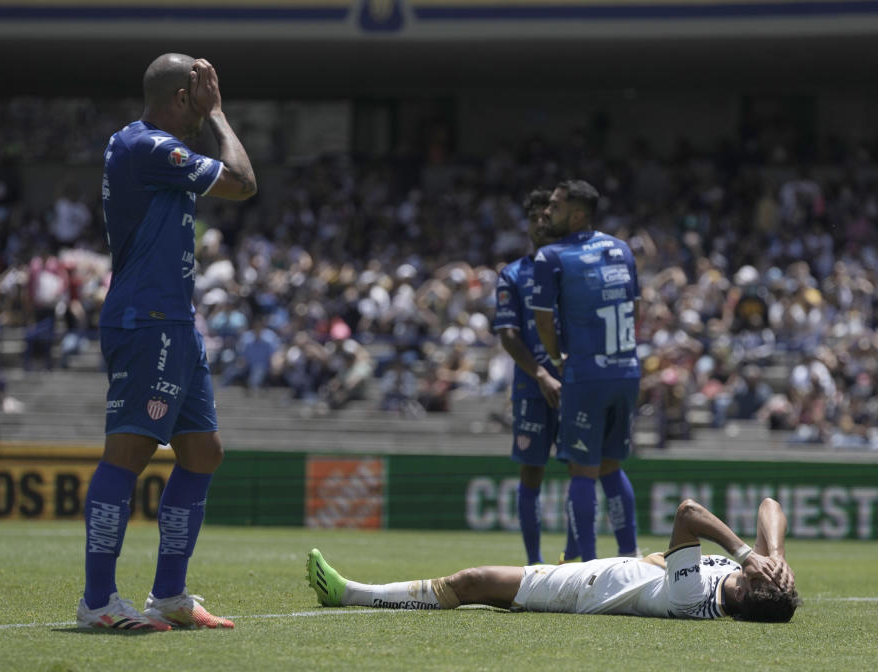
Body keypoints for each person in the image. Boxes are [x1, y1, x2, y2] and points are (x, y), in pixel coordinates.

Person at [76, 53, 256, 631]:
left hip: (175, 321)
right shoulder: (147, 147)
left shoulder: (149, 151)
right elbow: (243, 182)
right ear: (183, 96)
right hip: (146, 319)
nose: (204, 101)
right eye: (198, 94)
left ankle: (169, 596)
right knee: (127, 455)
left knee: (203, 453)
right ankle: (98, 603)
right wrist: (220, 115)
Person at [306, 497, 800, 622]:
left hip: (583, 590)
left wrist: (743, 553)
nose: (756, 569)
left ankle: (347, 593)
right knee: (476, 584)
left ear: (749, 592)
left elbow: (689, 513)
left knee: (470, 581)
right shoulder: (749, 580)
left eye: (760, 575)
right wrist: (773, 553)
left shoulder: (694, 597)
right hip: (599, 572)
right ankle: (350, 592)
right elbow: (771, 507)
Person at [530, 180, 641, 562]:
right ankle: (629, 556)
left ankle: (588, 566)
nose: (548, 212)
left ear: (577, 215)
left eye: (556, 206)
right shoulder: (621, 249)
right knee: (612, 467)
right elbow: (635, 309)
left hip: (586, 374)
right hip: (627, 369)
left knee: (582, 471)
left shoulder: (551, 256)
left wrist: (558, 360)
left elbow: (543, 321)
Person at [492, 188, 562, 564]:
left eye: (546, 216)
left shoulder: (573, 267)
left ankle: (579, 560)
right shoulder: (513, 275)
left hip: (574, 386)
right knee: (531, 474)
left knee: (582, 474)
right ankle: (534, 564)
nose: (540, 222)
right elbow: (508, 334)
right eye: (533, 217)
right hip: (532, 388)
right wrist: (540, 375)